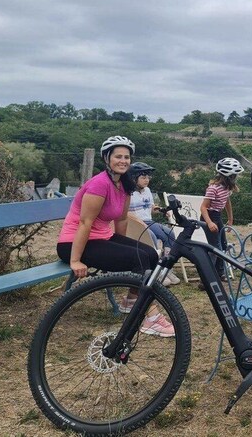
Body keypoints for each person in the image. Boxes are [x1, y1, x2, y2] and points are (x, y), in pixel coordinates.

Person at [56, 135, 174, 337]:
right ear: (107, 159)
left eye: (127, 157)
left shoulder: (125, 184)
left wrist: (123, 245)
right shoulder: (99, 184)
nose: (123, 161)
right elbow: (85, 223)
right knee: (138, 257)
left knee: (151, 254)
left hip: (101, 238)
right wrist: (75, 260)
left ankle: (130, 300)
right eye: (118, 156)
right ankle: (151, 319)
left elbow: (120, 220)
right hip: (73, 243)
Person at [127, 161, 180, 286]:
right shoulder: (128, 192)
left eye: (148, 177)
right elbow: (123, 213)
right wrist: (138, 221)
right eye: (143, 177)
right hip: (134, 224)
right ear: (134, 178)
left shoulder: (147, 190)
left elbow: (149, 208)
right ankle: (155, 272)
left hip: (148, 222)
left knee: (170, 234)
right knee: (152, 237)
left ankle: (166, 269)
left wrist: (160, 210)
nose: (147, 180)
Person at [200, 157, 244, 282]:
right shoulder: (213, 188)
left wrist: (230, 219)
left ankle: (220, 273)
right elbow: (203, 207)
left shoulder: (226, 188)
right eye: (234, 176)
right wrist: (209, 223)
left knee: (223, 246)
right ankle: (205, 279)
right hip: (208, 216)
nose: (235, 178)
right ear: (228, 176)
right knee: (214, 249)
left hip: (217, 216)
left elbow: (227, 202)